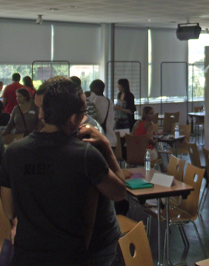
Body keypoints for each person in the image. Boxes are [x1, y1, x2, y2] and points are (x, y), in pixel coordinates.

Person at [0, 79, 126, 266]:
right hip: (73, 253)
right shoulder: (85, 152)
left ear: (43, 112)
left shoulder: (13, 152)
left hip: (28, 251)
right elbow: (119, 192)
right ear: (74, 118)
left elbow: (9, 210)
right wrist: (107, 147)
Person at [89, 79, 117, 148]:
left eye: (91, 89)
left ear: (97, 89)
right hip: (111, 139)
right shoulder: (109, 101)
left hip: (101, 140)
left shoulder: (95, 100)